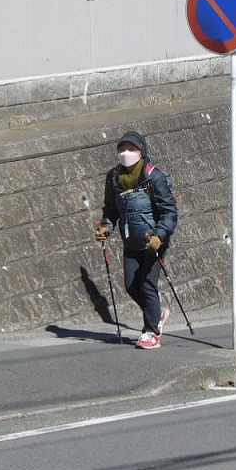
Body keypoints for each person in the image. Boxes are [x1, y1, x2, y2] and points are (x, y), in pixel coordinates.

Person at [95, 131, 179, 348]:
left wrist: (159, 236)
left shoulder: (154, 177)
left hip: (153, 241)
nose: (126, 153)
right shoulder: (113, 178)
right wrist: (106, 226)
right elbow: (111, 209)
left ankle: (151, 332)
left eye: (131, 149)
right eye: (122, 149)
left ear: (141, 152)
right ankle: (157, 313)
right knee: (131, 286)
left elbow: (170, 212)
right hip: (131, 240)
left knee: (147, 284)